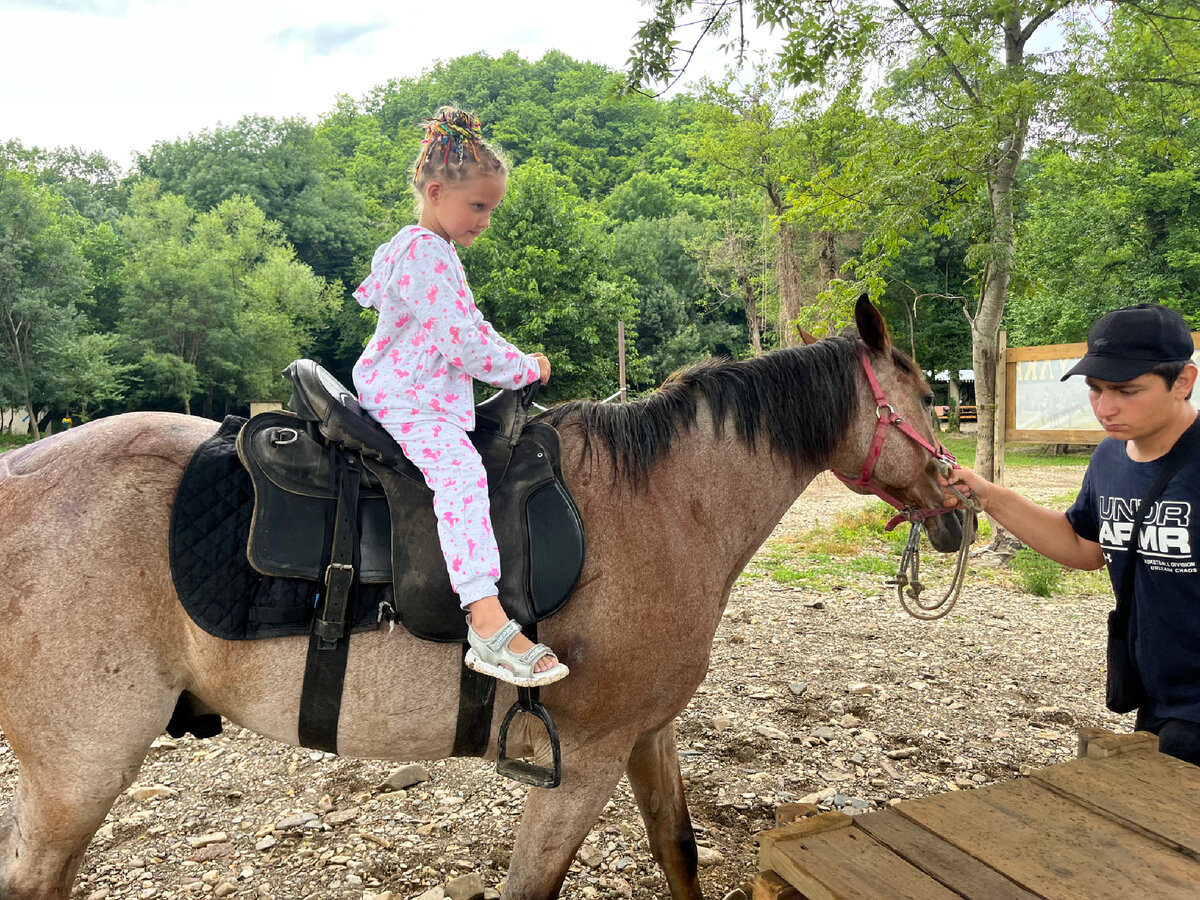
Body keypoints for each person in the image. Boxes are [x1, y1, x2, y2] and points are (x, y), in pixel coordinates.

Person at [352, 107, 567, 688]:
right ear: (437, 191)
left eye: (491, 209)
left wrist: (518, 360)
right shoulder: (422, 253)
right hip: (409, 399)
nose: (485, 220)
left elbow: (473, 327)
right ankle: (484, 616)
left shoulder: (435, 252)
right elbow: (462, 343)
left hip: (424, 394)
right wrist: (522, 368)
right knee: (462, 474)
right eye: (478, 206)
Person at [942, 304, 1199, 764]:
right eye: (1095, 390)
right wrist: (987, 496)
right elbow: (1084, 547)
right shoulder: (1110, 457)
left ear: (1183, 381)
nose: (1105, 407)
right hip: (1155, 695)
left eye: (1126, 390)